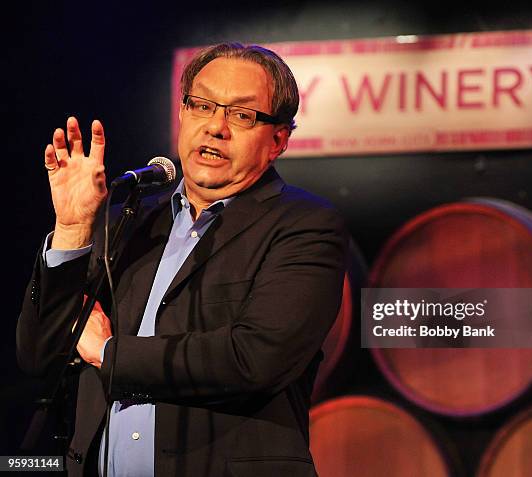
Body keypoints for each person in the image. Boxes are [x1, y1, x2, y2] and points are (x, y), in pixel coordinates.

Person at [17, 43, 347, 477]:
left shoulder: (304, 225)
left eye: (242, 115)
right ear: (183, 112)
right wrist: (73, 230)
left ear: (278, 140)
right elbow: (39, 356)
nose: (215, 127)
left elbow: (254, 359)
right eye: (202, 105)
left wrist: (108, 352)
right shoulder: (126, 222)